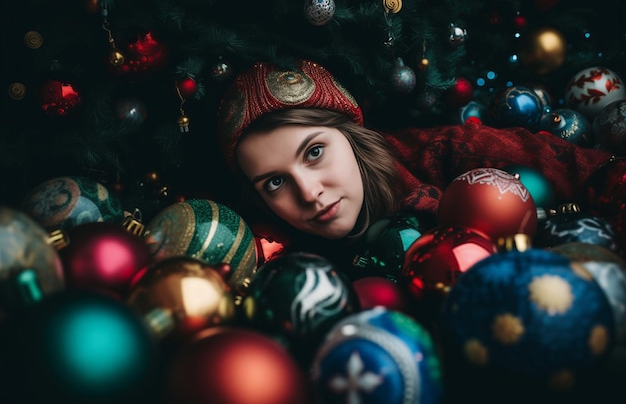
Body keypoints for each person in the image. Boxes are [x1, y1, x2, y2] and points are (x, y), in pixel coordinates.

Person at [216, 59, 617, 270]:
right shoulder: (271, 256)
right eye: (273, 183)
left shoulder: (453, 154)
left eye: (315, 152)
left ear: (351, 136)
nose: (308, 193)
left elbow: (597, 171)